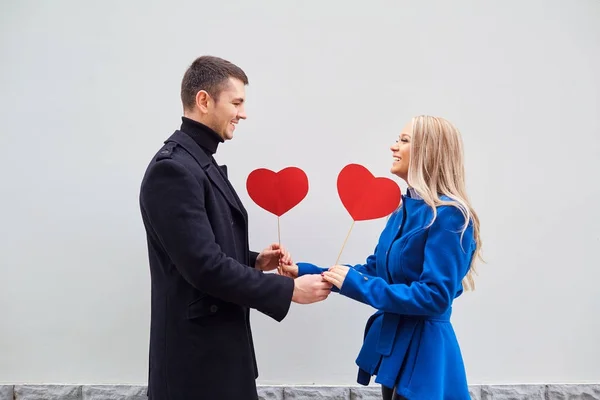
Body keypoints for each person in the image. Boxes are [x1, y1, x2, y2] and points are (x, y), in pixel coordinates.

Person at [139, 55, 332, 400]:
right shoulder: (173, 170)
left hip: (219, 357)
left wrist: (255, 260)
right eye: (237, 102)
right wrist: (288, 291)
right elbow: (204, 268)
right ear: (203, 101)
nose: (243, 113)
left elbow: (203, 248)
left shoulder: (199, 161)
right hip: (196, 369)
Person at [285, 115, 482, 399]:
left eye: (403, 141)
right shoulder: (403, 210)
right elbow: (375, 270)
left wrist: (358, 284)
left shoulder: (450, 215)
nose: (393, 147)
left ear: (428, 149)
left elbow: (435, 295)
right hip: (397, 352)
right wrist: (305, 271)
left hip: (426, 356)